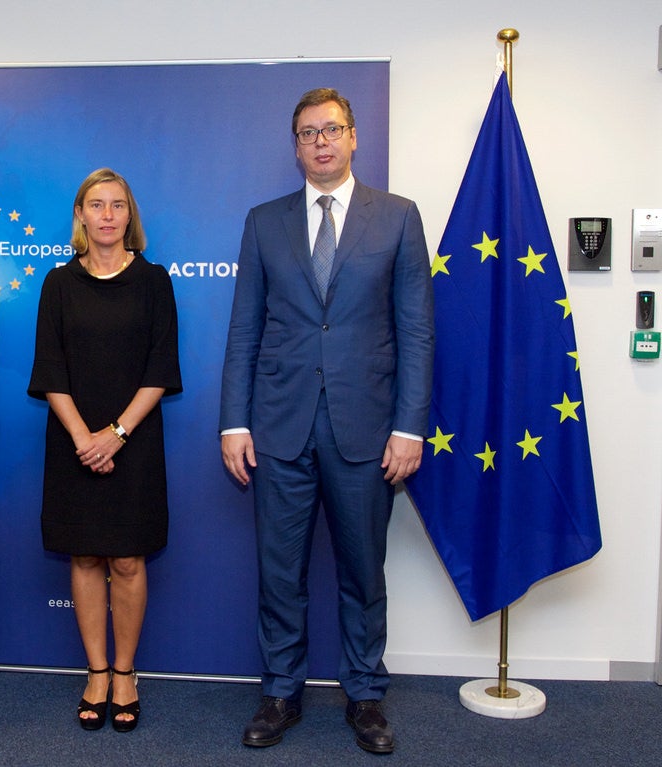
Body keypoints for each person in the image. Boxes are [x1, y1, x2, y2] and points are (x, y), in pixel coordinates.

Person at [219, 88, 434, 754]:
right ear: (296, 145)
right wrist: (233, 422)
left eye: (331, 130)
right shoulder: (264, 221)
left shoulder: (397, 218)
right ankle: (281, 691)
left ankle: (365, 693)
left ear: (354, 137)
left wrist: (410, 425)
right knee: (279, 571)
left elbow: (416, 330)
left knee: (363, 570)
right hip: (278, 427)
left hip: (367, 429)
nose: (321, 142)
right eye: (308, 133)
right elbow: (246, 327)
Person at [28, 168, 182, 733]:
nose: (109, 215)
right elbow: (50, 371)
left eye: (119, 204)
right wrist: (83, 439)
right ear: (82, 216)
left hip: (134, 442)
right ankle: (95, 672)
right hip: (72, 441)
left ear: (129, 215)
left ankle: (125, 673)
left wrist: (113, 435)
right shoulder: (58, 283)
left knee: (127, 558)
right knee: (86, 556)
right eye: (97, 204)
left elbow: (161, 369)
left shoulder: (154, 281)